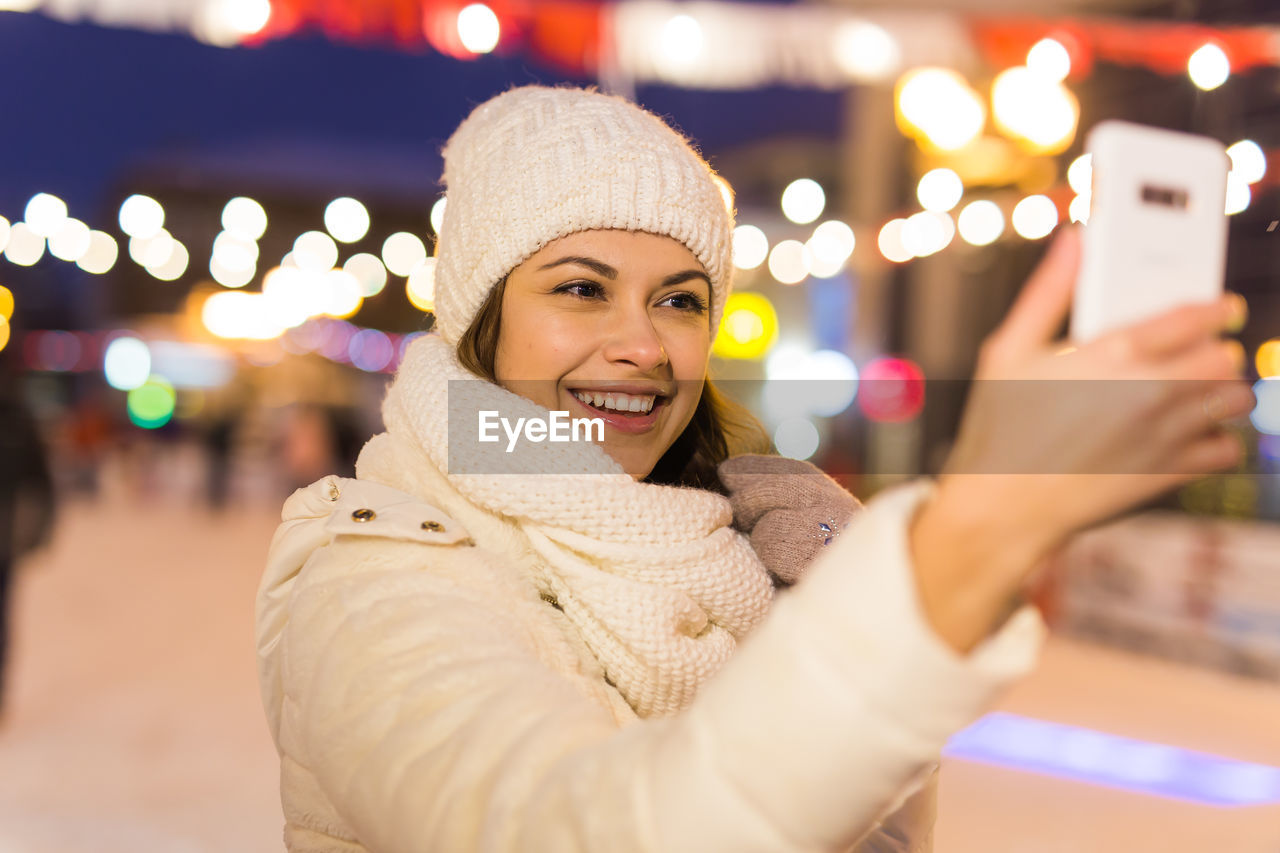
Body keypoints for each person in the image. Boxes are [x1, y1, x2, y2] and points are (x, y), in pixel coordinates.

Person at [255, 85, 1251, 852]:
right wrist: (970, 534)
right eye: (580, 289)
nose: (642, 344)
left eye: (679, 300)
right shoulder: (378, 575)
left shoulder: (757, 540)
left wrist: (824, 593)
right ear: (480, 318)